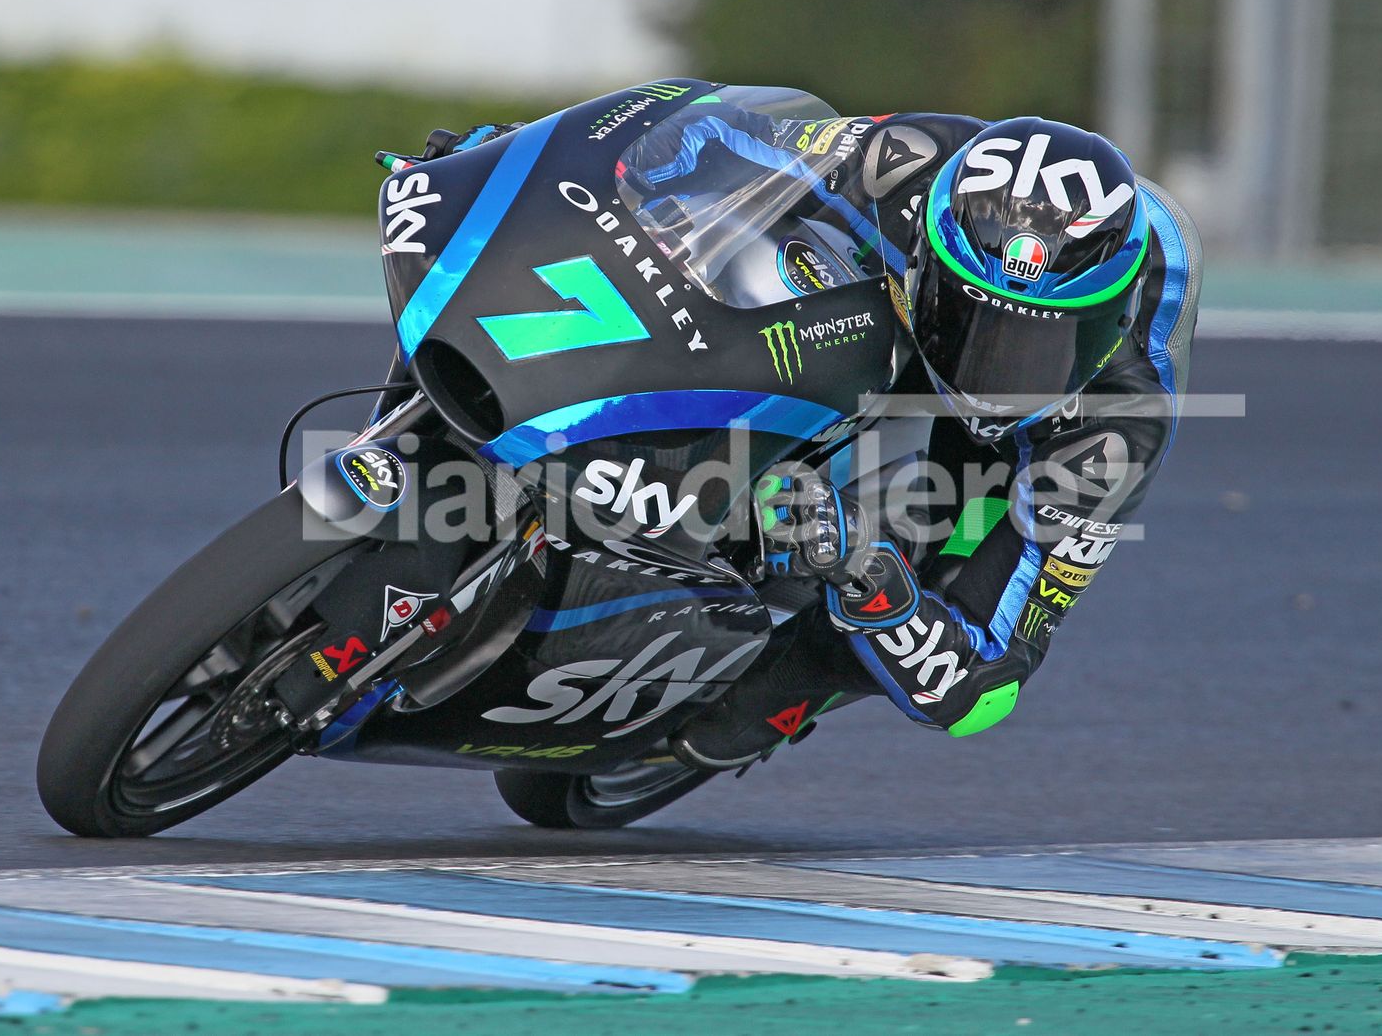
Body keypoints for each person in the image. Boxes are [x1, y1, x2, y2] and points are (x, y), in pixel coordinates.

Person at [449, 102, 1202, 770]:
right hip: (900, 300)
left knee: (941, 564)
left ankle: (765, 697)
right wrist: (521, 159)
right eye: (973, 325)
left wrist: (868, 573)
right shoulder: (899, 164)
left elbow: (982, 687)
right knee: (758, 263)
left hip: (1016, 448)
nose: (991, 368)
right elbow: (704, 137)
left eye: (1035, 350)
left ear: (1107, 322)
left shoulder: (1114, 427)